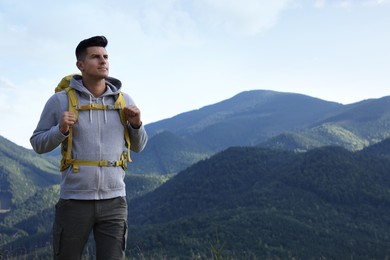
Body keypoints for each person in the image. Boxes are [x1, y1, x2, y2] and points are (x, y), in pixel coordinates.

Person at [30, 35, 148, 259]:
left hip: (115, 201)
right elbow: (37, 143)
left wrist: (136, 124)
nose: (103, 61)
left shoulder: (124, 101)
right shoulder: (59, 101)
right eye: (95, 57)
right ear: (80, 65)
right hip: (74, 201)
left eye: (105, 57)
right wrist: (60, 130)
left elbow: (139, 146)